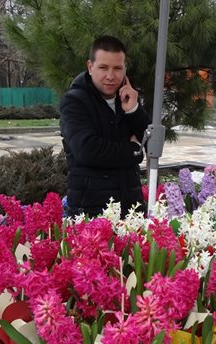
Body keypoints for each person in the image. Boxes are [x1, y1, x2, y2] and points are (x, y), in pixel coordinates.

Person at [60, 35, 151, 217]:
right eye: (103, 67)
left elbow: (154, 146)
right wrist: (134, 150)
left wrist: (134, 110)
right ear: (90, 67)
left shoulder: (127, 99)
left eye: (118, 68)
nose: (111, 76)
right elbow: (88, 151)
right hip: (90, 212)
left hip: (131, 210)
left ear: (125, 68)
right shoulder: (74, 102)